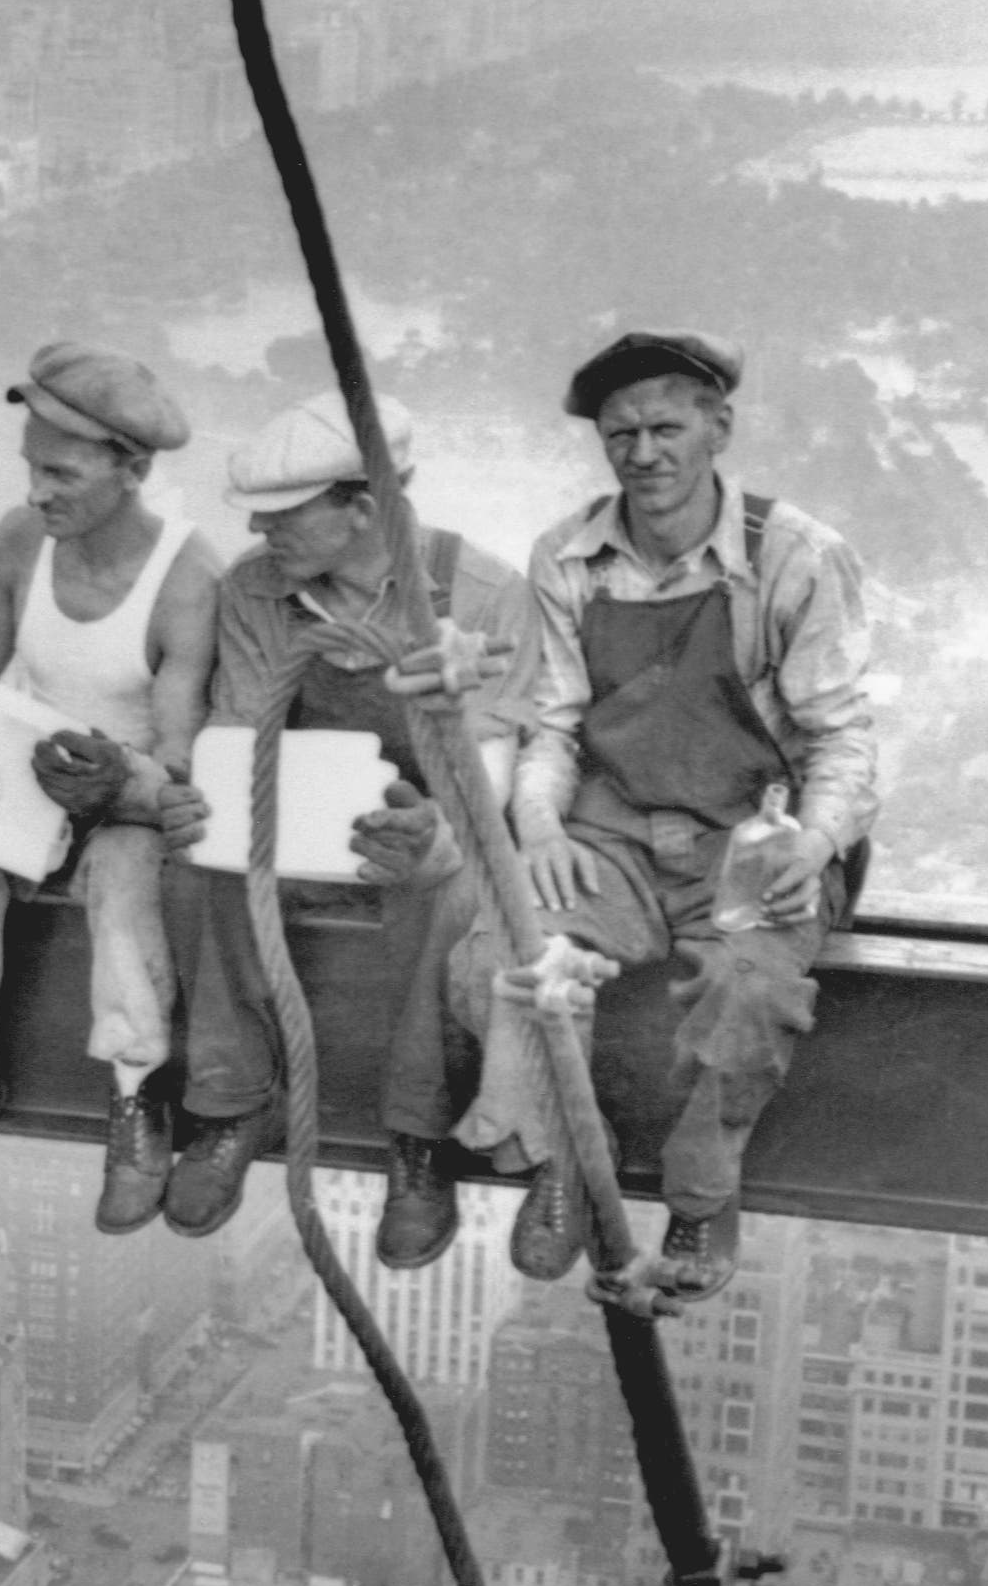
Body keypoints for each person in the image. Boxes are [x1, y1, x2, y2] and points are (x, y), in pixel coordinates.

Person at [455, 333, 878, 1301]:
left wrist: (812, 842)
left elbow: (842, 737)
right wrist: (542, 829)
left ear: (717, 427)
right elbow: (551, 725)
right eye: (620, 435)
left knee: (749, 994)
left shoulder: (794, 556)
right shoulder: (567, 556)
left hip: (752, 839)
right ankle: (570, 1160)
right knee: (502, 960)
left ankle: (700, 1194)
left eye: (665, 428)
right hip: (613, 834)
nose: (643, 454)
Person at [163, 391, 531, 1270]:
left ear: (363, 507)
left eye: (284, 514)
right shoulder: (257, 590)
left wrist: (438, 830)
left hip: (433, 819)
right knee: (197, 863)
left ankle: (417, 1137)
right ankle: (230, 1098)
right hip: (300, 808)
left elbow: (494, 763)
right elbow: (242, 732)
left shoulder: (483, 594)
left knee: (442, 892)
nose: (259, 528)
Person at [0, 344, 221, 1227]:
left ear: (134, 470)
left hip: (126, 793)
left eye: (61, 473)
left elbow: (182, 751)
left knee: (122, 882)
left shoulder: (187, 580)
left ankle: (136, 1091)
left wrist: (121, 781)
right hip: (29, 767)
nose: (38, 491)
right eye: (31, 467)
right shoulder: (18, 538)